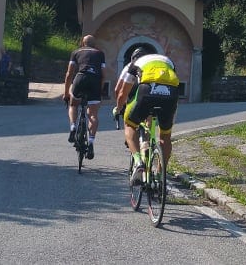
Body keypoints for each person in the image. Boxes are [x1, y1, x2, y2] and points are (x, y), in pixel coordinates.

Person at [113, 46, 179, 184]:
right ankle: (161, 175)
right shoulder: (167, 61)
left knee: (130, 125)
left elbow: (121, 93)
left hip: (147, 91)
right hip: (170, 94)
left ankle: (138, 162)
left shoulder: (134, 64)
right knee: (165, 136)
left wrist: (119, 109)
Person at [63, 34, 107, 160]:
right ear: (94, 45)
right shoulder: (100, 54)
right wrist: (100, 88)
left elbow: (69, 73)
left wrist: (66, 92)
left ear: (83, 43)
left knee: (73, 104)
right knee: (93, 114)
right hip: (94, 81)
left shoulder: (76, 52)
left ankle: (73, 127)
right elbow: (104, 74)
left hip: (80, 78)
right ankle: (91, 141)